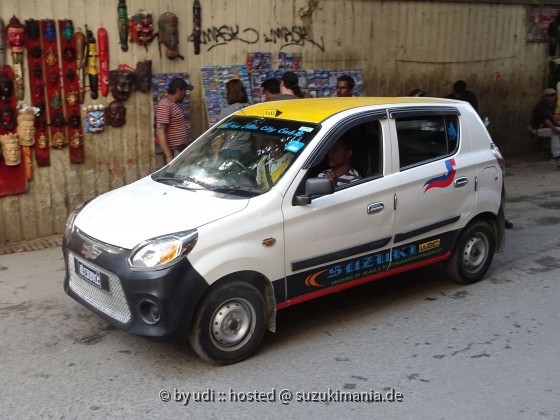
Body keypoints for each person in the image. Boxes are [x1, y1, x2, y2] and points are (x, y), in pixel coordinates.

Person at [155, 77, 193, 164]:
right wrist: (169, 156)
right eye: (185, 91)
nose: (185, 94)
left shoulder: (173, 105)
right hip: (174, 151)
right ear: (179, 91)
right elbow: (160, 131)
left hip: (179, 150)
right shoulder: (165, 105)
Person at [215, 79, 253, 161]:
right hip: (249, 151)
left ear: (230, 93)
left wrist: (216, 154)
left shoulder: (226, 112)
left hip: (230, 152)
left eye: (226, 91)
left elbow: (220, 136)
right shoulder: (252, 108)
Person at [531, 88, 560, 160]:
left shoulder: (553, 106)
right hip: (539, 128)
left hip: (549, 127)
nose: (552, 97)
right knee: (556, 132)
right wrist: (554, 128)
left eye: (553, 95)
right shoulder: (541, 106)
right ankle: (556, 155)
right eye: (550, 95)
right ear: (545, 97)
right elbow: (546, 120)